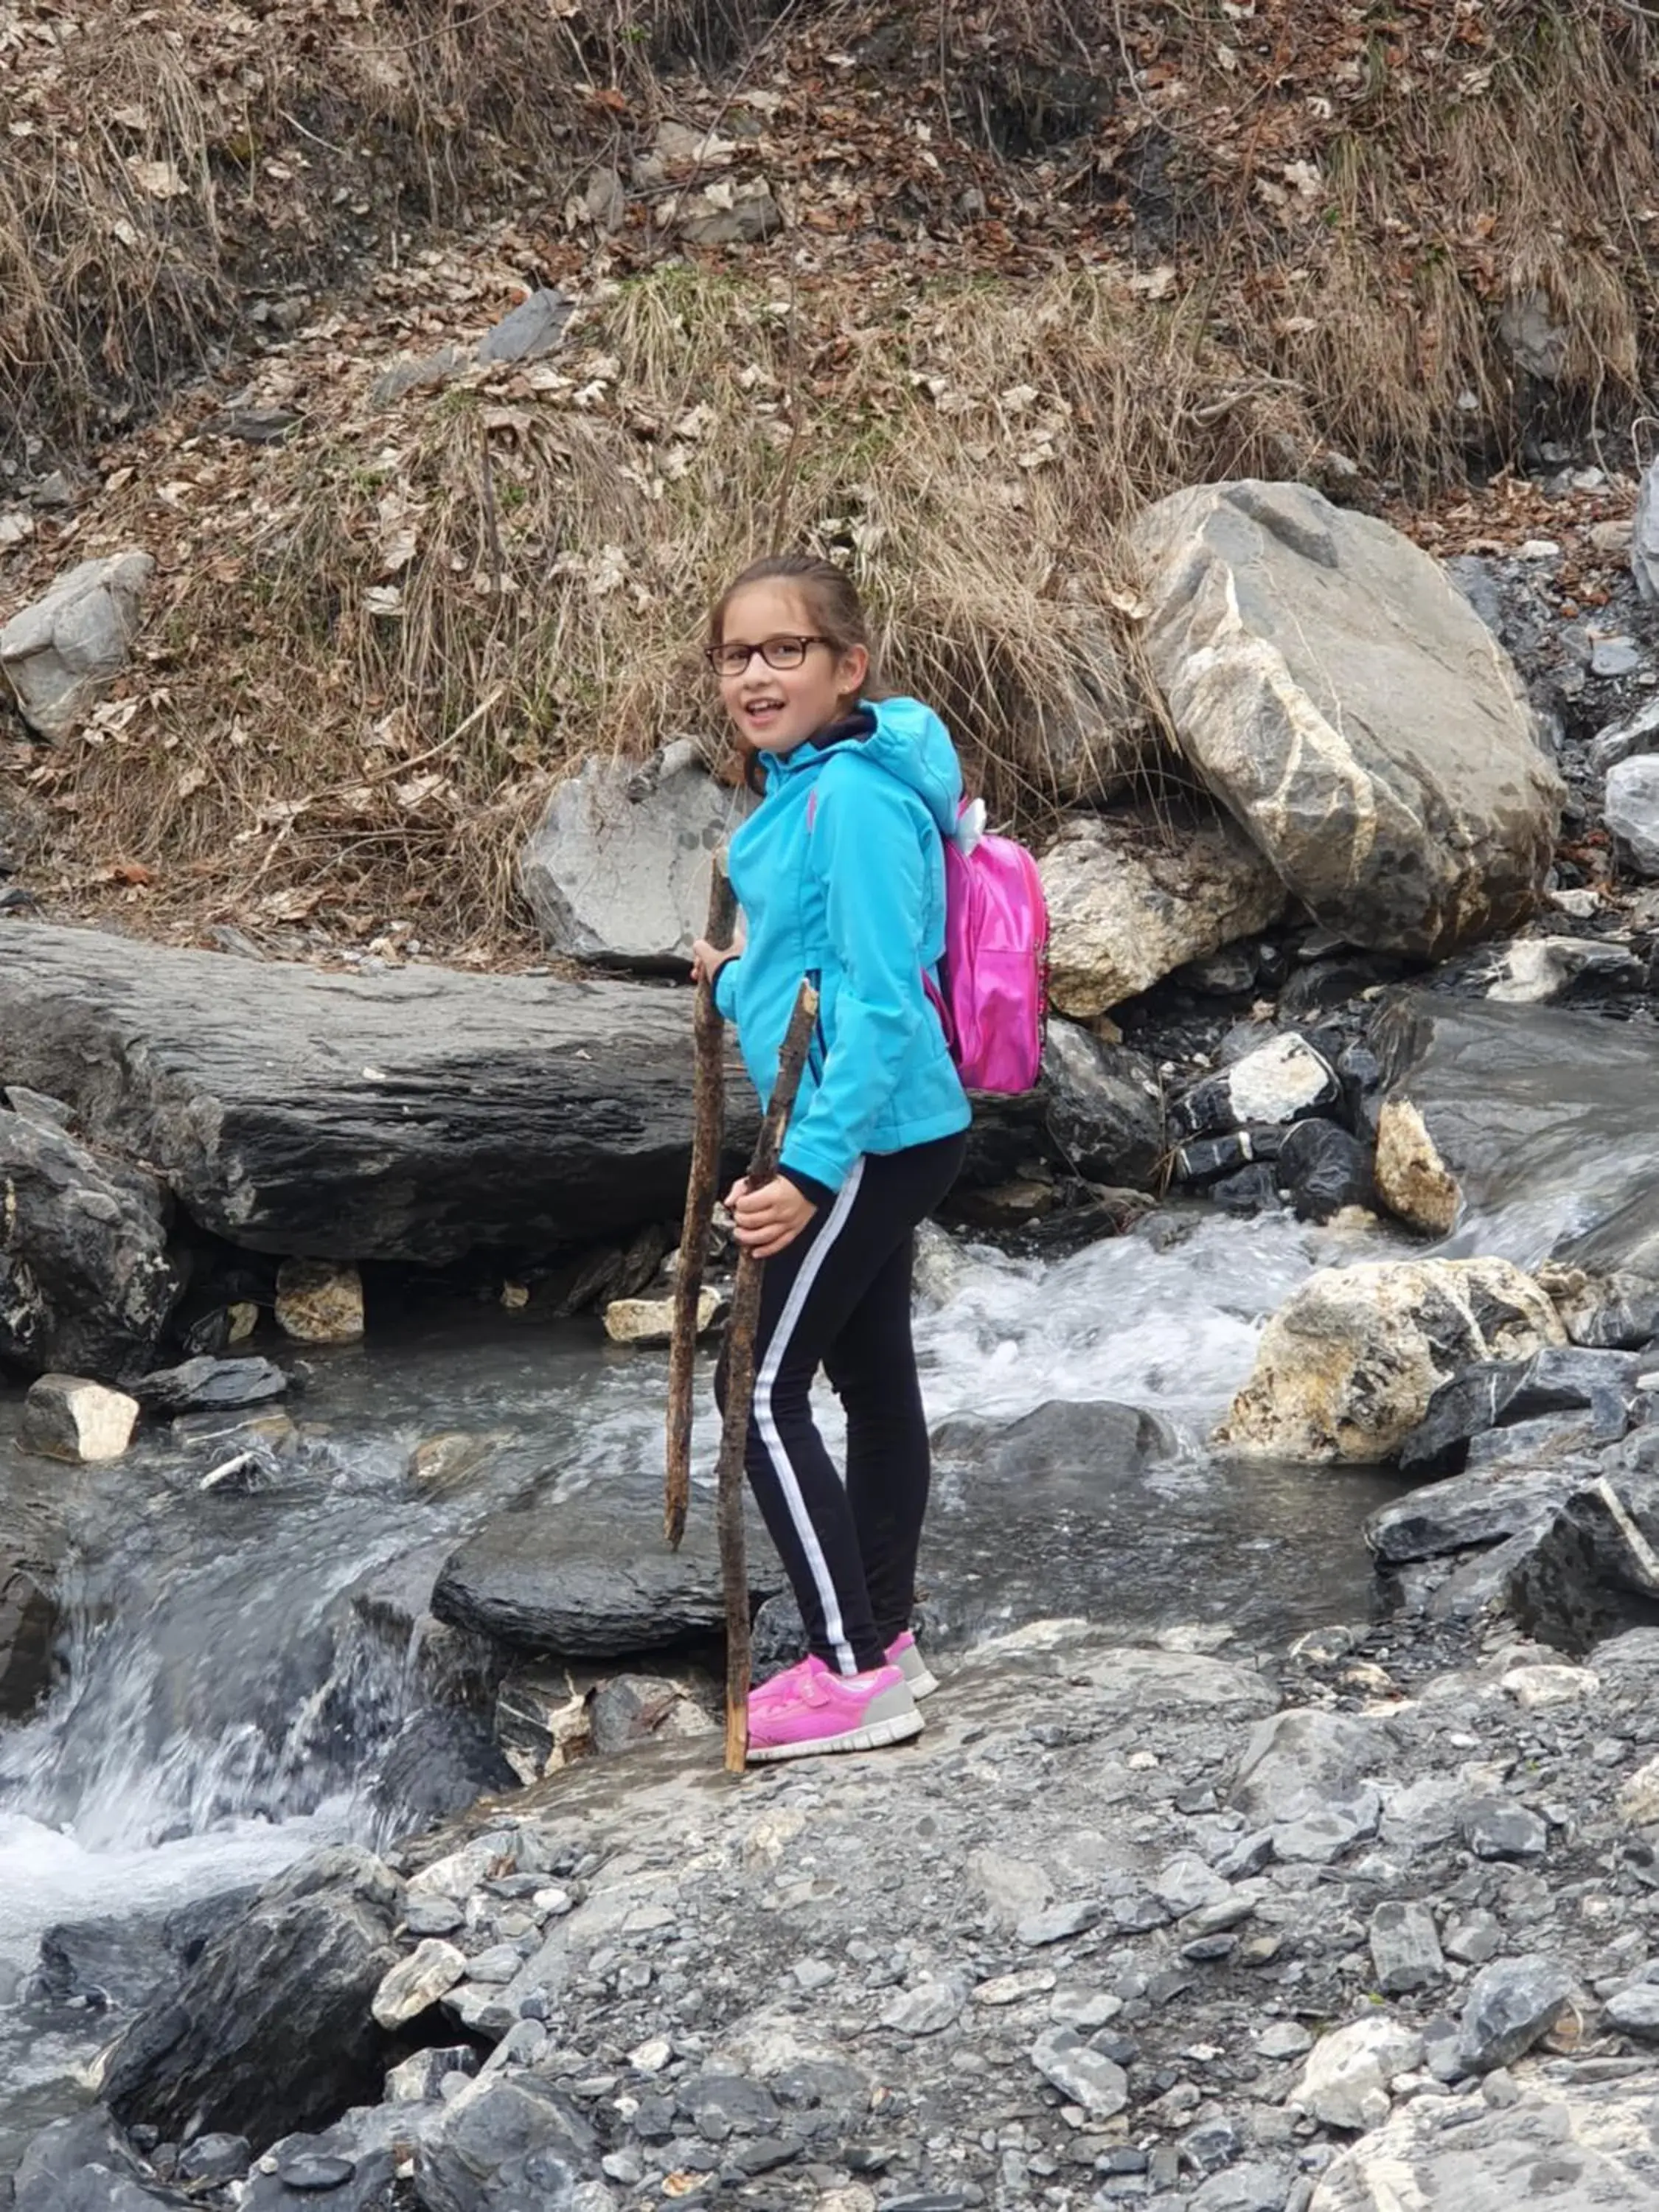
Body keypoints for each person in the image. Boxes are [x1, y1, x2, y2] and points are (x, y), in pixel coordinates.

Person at [691, 553, 971, 1765]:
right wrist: (734, 975)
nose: (754, 675)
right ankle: (886, 1633)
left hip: (861, 1131)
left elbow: (881, 1000)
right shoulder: (810, 782)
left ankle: (848, 1673)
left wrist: (804, 1173)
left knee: (755, 1392)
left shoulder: (848, 798)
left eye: (783, 651)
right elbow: (814, 962)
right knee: (869, 1383)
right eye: (735, 655)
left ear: (846, 666)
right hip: (895, 1127)